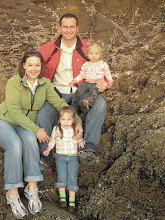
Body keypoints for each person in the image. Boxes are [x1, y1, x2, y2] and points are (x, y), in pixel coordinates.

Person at [0, 51, 82, 219]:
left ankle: (32, 189)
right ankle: (12, 194)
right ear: (23, 66)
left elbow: (60, 104)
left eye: (37, 65)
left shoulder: (45, 84)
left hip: (25, 126)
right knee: (15, 144)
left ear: (41, 67)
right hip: (2, 122)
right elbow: (14, 111)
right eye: (29, 65)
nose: (33, 68)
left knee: (30, 140)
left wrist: (78, 122)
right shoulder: (14, 82)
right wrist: (37, 129)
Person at [37, 13, 110, 174]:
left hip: (81, 91)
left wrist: (104, 84)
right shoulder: (47, 48)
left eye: (72, 27)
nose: (68, 30)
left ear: (77, 28)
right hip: (55, 93)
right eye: (65, 26)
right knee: (42, 114)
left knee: (100, 103)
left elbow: (99, 68)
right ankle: (45, 159)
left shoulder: (86, 47)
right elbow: (35, 68)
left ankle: (87, 150)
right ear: (59, 28)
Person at [43, 106, 85, 213]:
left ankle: (71, 202)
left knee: (72, 176)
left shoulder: (74, 128)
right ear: (59, 120)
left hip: (72, 157)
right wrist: (48, 149)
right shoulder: (56, 129)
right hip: (60, 157)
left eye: (69, 119)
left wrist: (80, 142)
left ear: (73, 120)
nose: (66, 122)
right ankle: (62, 199)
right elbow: (52, 141)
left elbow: (79, 138)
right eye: (63, 119)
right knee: (61, 176)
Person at [69, 39, 113, 113]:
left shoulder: (103, 64)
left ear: (100, 54)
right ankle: (74, 107)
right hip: (86, 82)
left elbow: (107, 74)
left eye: (96, 54)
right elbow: (81, 75)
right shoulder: (86, 65)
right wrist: (75, 80)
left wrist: (110, 81)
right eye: (91, 53)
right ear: (87, 54)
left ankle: (88, 102)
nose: (93, 56)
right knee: (78, 92)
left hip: (96, 83)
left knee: (93, 92)